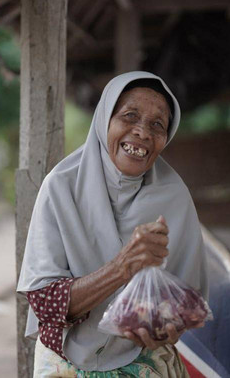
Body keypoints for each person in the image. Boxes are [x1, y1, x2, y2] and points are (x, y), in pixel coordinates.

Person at [17, 71, 208, 377]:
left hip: (143, 360)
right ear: (105, 119)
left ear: (165, 138)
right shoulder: (61, 187)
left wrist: (166, 327)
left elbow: (184, 304)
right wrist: (123, 266)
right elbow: (45, 304)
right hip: (66, 362)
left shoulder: (175, 197)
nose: (143, 132)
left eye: (157, 124)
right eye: (130, 116)